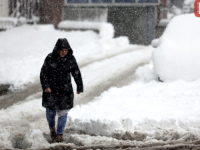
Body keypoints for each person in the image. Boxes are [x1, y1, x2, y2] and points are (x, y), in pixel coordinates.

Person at [40, 38, 83, 142]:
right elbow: (43, 73)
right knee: (50, 113)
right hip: (51, 91)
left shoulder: (70, 58)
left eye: (66, 50)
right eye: (62, 50)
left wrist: (79, 86)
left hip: (65, 91)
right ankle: (52, 129)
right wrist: (46, 86)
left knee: (63, 112)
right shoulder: (50, 58)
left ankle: (60, 134)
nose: (64, 52)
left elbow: (76, 72)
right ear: (57, 49)